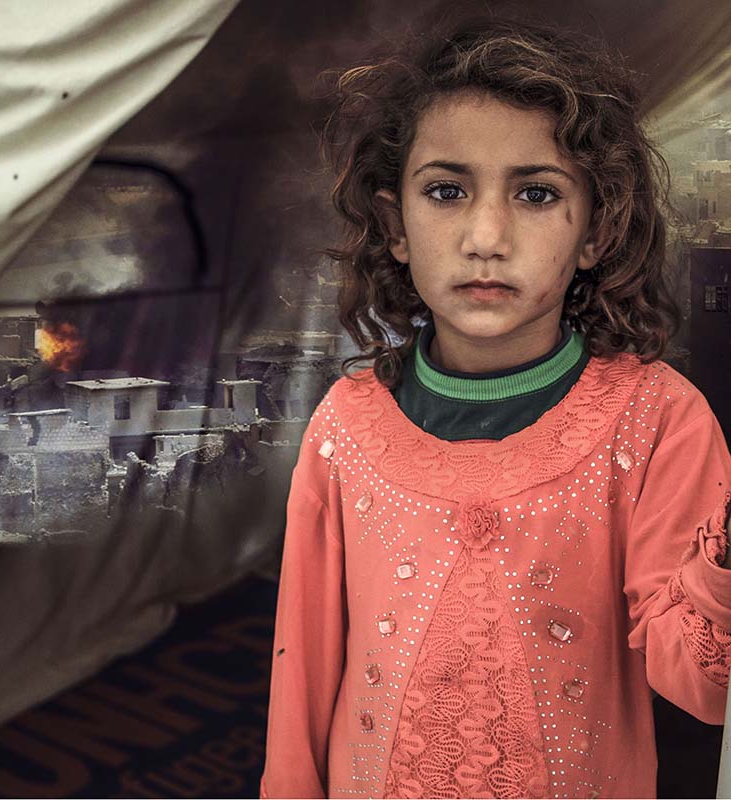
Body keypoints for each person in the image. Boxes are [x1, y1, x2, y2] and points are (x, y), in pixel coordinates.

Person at [260, 16, 731, 800]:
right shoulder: (347, 427)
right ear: (394, 226)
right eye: (447, 191)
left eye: (537, 194)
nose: (486, 235)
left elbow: (702, 685)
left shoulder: (655, 422)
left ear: (595, 229)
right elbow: (301, 676)